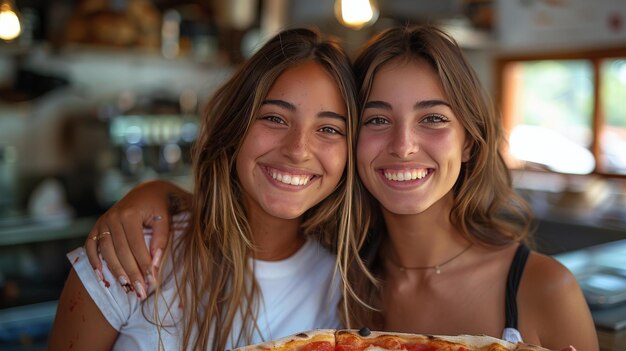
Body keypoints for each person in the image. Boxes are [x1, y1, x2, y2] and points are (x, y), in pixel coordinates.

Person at [78, 25, 594, 351]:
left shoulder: (544, 291)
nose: (403, 145)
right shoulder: (345, 277)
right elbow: (254, 223)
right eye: (375, 120)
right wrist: (160, 193)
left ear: (471, 143)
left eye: (433, 118)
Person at [48, 27, 361, 351]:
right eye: (274, 118)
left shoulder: (345, 290)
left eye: (328, 128)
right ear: (235, 126)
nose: (298, 149)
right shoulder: (133, 251)